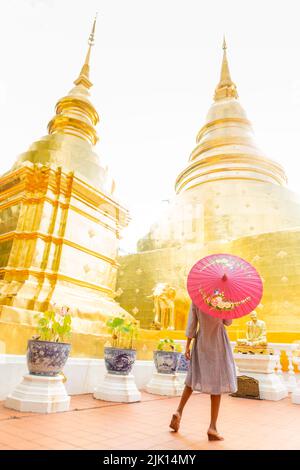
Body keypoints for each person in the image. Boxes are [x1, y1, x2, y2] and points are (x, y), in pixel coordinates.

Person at [169, 302, 237, 441]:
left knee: (193, 377)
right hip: (218, 342)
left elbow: (192, 325)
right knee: (216, 384)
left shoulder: (198, 298)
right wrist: (229, 307)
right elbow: (228, 322)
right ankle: (212, 427)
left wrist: (187, 346)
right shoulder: (223, 300)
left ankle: (179, 411)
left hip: (201, 342)